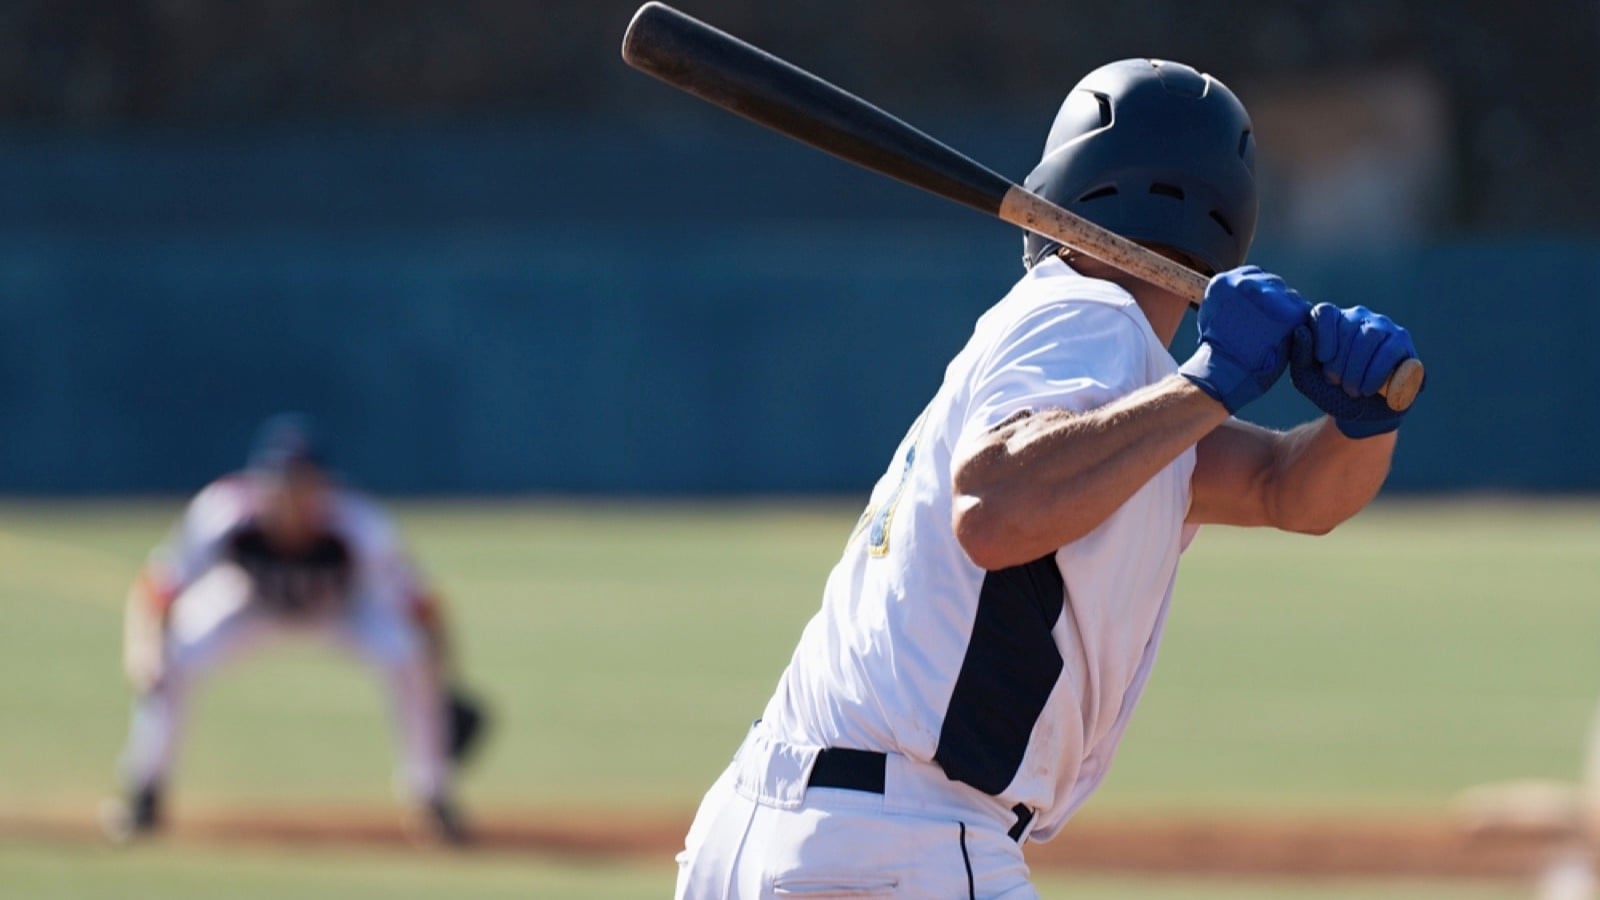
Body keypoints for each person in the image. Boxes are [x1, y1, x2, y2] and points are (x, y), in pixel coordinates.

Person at [673, 59, 1421, 899]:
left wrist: (1363, 421)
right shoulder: (1087, 314)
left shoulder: (1116, 388)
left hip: (796, 827)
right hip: (895, 845)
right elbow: (995, 508)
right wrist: (1209, 380)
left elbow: (1289, 489)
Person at [105, 414, 486, 844]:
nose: (290, 494)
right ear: (259, 483)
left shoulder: (359, 525)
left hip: (343, 612)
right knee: (171, 657)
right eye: (280, 482)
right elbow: (156, 588)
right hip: (248, 605)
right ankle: (145, 793)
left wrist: (444, 680)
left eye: (302, 483)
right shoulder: (223, 513)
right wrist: (142, 650)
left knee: (408, 657)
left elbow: (423, 606)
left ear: (323, 485)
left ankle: (432, 799)